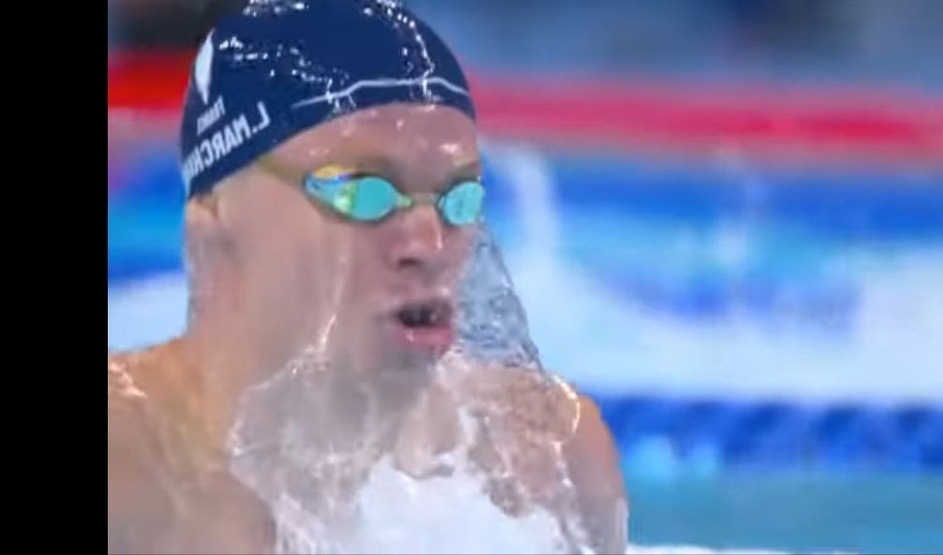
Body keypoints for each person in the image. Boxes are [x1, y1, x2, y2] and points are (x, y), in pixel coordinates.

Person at [107, 1, 627, 553]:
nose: (429, 246)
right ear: (215, 217)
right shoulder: (127, 467)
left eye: (456, 197)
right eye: (363, 192)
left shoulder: (551, 462)